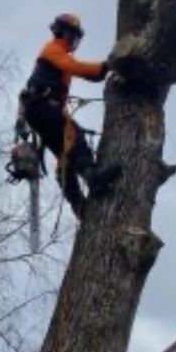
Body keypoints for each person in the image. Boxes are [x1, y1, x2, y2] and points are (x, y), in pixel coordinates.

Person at [16, 13, 121, 219]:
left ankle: (78, 205)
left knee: (66, 156)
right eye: (71, 35)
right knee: (74, 135)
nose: (74, 41)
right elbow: (77, 67)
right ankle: (93, 177)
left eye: (76, 37)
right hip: (42, 106)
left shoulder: (59, 57)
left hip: (41, 108)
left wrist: (101, 72)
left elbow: (83, 73)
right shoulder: (53, 49)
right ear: (61, 32)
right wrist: (106, 66)